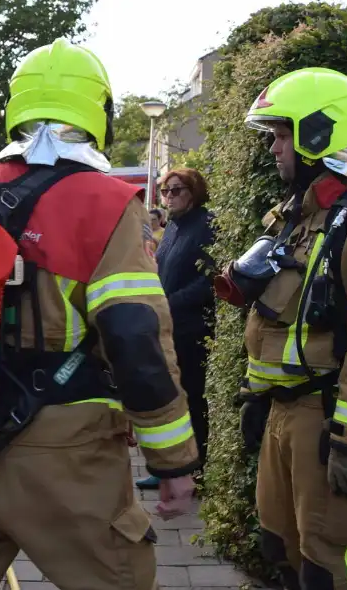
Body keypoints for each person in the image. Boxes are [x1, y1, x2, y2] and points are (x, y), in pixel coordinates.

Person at [0, 38, 200, 590]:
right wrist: (173, 461)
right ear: (100, 113)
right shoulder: (107, 202)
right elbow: (135, 335)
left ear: (15, 109)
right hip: (70, 457)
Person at [215, 67, 347, 590]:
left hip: (328, 418)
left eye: (282, 135)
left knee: (334, 567)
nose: (273, 149)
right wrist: (259, 396)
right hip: (287, 414)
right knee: (279, 548)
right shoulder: (304, 217)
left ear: (318, 135)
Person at [136, 168, 216, 491]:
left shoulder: (206, 226)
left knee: (192, 399)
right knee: (171, 398)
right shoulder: (171, 229)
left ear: (194, 192)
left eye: (176, 190)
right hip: (167, 327)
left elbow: (209, 281)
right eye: (165, 191)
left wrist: (171, 302)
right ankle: (172, 469)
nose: (168, 196)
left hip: (191, 329)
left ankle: (196, 470)